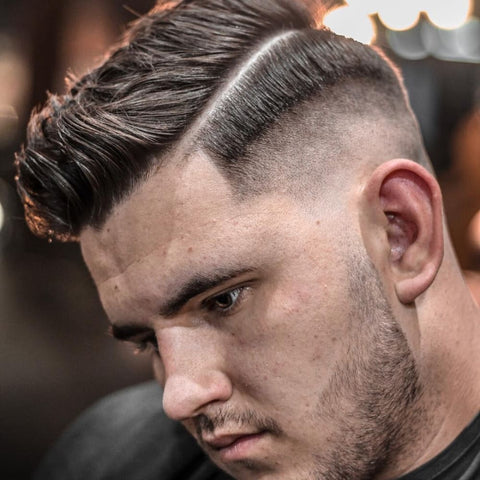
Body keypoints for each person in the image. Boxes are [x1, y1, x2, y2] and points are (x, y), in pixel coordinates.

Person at [15, 0, 480, 479]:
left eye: (224, 300)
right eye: (149, 342)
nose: (179, 397)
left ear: (402, 231)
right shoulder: (110, 456)